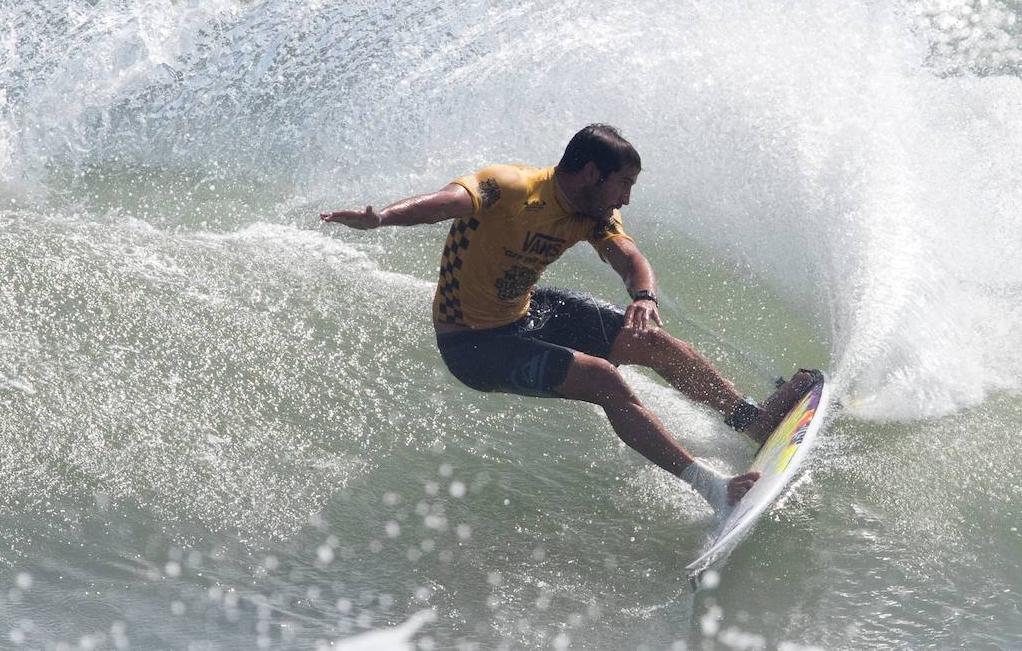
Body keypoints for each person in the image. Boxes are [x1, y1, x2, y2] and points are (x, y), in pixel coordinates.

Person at [320, 124, 814, 510]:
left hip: (526, 311)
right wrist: (383, 218)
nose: (626, 198)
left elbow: (627, 258)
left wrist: (644, 296)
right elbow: (446, 203)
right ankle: (712, 489)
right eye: (623, 184)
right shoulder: (510, 186)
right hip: (472, 344)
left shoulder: (593, 213)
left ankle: (753, 421)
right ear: (593, 173)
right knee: (602, 379)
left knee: (650, 340)